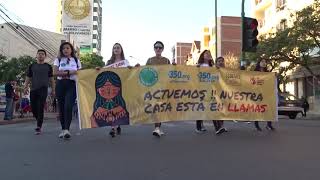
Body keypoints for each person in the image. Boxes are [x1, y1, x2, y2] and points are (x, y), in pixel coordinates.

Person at [95, 43, 137, 137]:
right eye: (114, 48)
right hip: (110, 89)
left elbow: (129, 74)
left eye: (118, 48)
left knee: (119, 106)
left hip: (121, 88)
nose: (116, 49)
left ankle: (117, 124)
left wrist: (132, 68)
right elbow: (104, 71)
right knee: (110, 107)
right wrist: (98, 69)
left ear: (121, 50)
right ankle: (113, 128)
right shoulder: (109, 62)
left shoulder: (125, 62)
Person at [146, 41, 175, 137]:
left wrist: (174, 67)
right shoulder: (150, 60)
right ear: (154, 49)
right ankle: (157, 127)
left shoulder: (166, 60)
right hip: (153, 88)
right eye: (156, 47)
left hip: (164, 87)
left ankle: (158, 127)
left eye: (160, 47)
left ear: (162, 49)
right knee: (155, 108)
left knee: (161, 108)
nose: (158, 49)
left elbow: (171, 73)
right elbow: (144, 72)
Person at [53, 42, 81, 139]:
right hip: (60, 84)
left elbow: (80, 73)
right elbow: (55, 73)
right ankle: (63, 129)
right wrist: (70, 72)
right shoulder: (58, 59)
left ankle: (67, 129)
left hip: (72, 85)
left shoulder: (76, 60)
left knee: (68, 106)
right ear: (61, 50)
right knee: (61, 107)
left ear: (71, 50)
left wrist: (65, 72)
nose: (65, 50)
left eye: (68, 48)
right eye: (63, 48)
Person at [24, 49, 55, 135]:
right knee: (33, 108)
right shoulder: (32, 66)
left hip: (43, 89)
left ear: (45, 56)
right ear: (36, 55)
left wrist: (53, 90)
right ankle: (39, 119)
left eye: (42, 54)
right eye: (39, 54)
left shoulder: (48, 67)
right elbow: (28, 78)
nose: (41, 55)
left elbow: (52, 80)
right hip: (33, 89)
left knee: (40, 106)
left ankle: (39, 126)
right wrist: (25, 87)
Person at [254, 59, 275, 131]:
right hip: (257, 94)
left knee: (268, 109)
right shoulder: (254, 72)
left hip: (266, 94)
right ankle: (257, 125)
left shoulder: (268, 73)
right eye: (262, 61)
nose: (264, 63)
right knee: (257, 110)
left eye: (265, 62)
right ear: (258, 63)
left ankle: (269, 125)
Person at [195, 50, 213, 133]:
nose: (208, 55)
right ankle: (198, 126)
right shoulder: (199, 65)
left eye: (209, 54)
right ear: (202, 55)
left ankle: (201, 124)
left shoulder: (211, 66)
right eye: (206, 54)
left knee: (205, 107)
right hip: (200, 89)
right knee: (200, 107)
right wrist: (196, 68)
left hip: (209, 89)